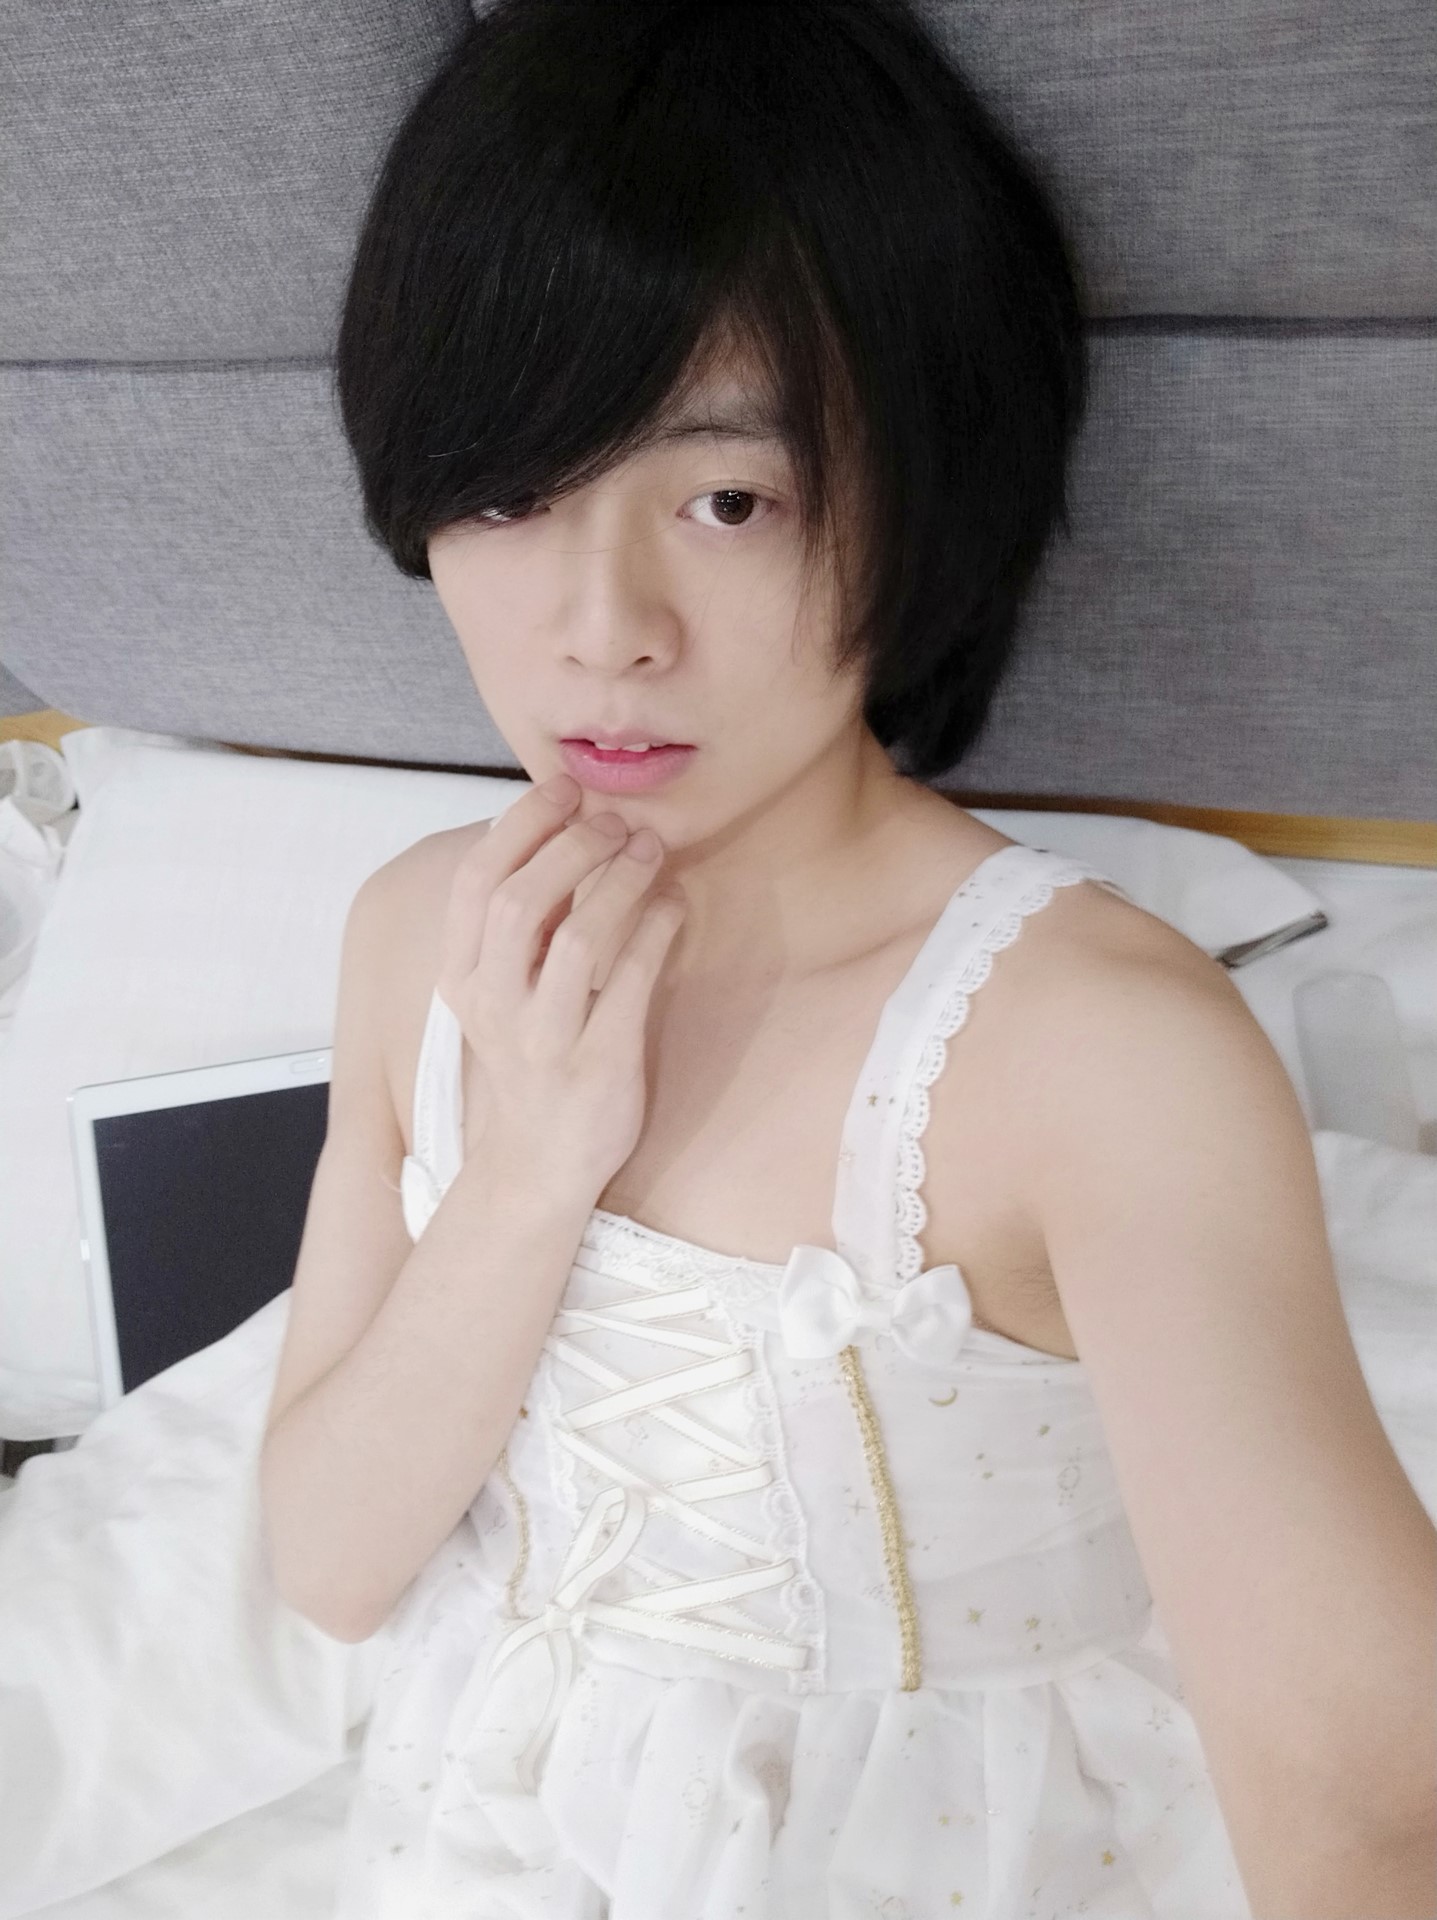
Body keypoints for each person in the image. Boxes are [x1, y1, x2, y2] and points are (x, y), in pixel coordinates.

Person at [259, 2, 1437, 1916]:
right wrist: (530, 1168)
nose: (601, 628)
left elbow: (1372, 1808)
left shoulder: (1096, 1056)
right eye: (510, 492)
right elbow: (326, 1566)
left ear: (919, 489)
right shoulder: (419, 935)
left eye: (726, 498)